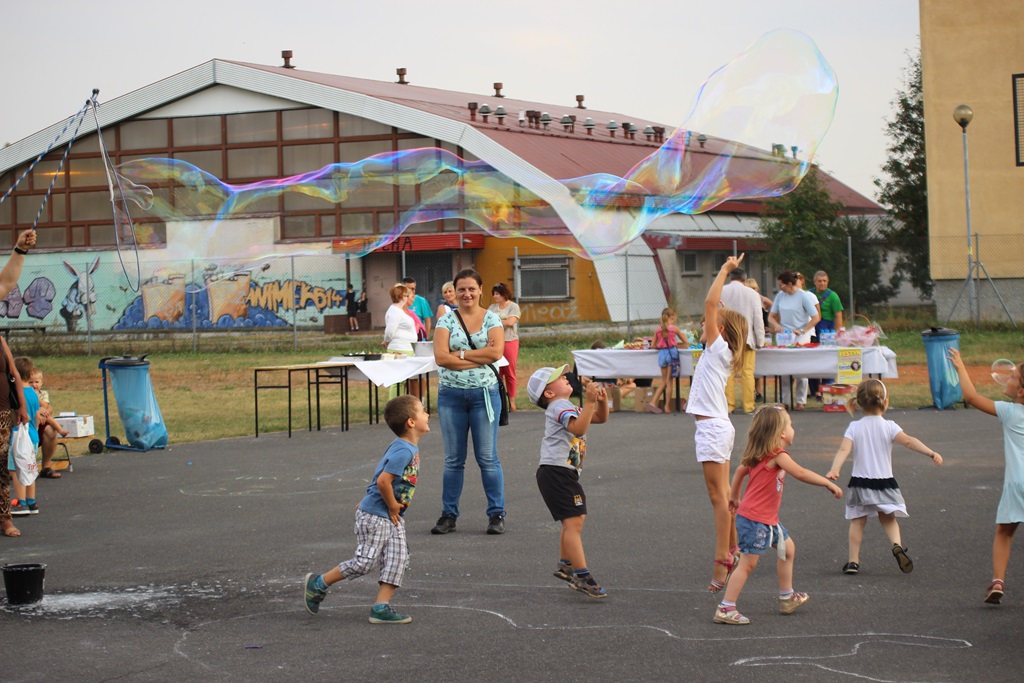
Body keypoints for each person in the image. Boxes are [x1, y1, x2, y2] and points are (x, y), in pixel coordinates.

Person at [303, 395, 428, 624]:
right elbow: (383, 481)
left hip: (391, 516)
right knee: (365, 562)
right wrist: (391, 505)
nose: (427, 413)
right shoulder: (404, 450)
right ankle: (318, 583)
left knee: (397, 559)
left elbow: (380, 475)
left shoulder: (406, 447)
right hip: (378, 515)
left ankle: (381, 607)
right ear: (411, 422)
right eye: (423, 410)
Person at [715, 405, 843, 625]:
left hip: (768, 520)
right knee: (747, 564)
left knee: (788, 549)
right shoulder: (777, 455)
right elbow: (800, 473)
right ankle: (726, 608)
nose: (793, 428)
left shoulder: (761, 453)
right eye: (790, 425)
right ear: (782, 433)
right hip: (755, 521)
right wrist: (826, 483)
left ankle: (786, 597)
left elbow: (740, 470)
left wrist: (735, 496)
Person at [825, 379, 943, 576]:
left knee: (857, 521)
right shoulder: (889, 426)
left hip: (860, 483)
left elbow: (844, 449)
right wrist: (930, 452)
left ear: (859, 403)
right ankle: (897, 545)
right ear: (885, 402)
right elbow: (909, 442)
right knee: (888, 519)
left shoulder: (855, 426)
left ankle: (853, 561)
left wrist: (835, 469)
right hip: (884, 482)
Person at [685, 254, 748, 593]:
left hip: (712, 429)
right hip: (718, 427)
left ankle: (722, 560)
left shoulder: (716, 346)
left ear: (720, 331)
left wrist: (724, 270)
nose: (705, 323)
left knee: (718, 499)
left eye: (712, 321)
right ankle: (735, 551)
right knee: (723, 495)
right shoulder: (719, 351)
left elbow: (710, 303)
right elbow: (714, 306)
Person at [431, 269, 507, 535]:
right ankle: (448, 515)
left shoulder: (493, 319)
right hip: (451, 396)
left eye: (471, 289)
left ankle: (496, 514)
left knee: (487, 458)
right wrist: (479, 355)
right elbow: (441, 358)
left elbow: (496, 353)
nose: (466, 294)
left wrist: (460, 353)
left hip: (484, 395)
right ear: (455, 291)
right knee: (453, 459)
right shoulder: (446, 321)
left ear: (480, 290)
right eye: (461, 289)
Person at [948, 348, 1023, 604]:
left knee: (1005, 533)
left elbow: (970, 396)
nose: (1007, 377)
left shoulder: (1010, 412)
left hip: (1016, 485)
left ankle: (998, 581)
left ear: (1021, 392)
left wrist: (960, 367)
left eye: (1012, 377)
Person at [529, 364, 609, 598]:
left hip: (560, 472)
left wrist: (601, 402)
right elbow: (578, 427)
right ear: (549, 393)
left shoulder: (567, 405)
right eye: (559, 377)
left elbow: (599, 419)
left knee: (574, 520)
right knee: (573, 523)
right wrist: (592, 402)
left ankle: (566, 564)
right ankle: (582, 576)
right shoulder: (559, 406)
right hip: (557, 472)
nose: (566, 378)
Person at [0, 229, 36, 539]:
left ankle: (4, 518)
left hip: (0, 407)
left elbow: (6, 282)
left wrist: (19, 250)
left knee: (0, 464)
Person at [768, 270, 821, 410]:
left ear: (790, 284)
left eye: (782, 285)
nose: (780, 288)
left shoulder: (804, 296)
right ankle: (785, 400)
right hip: (784, 335)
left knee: (801, 369)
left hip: (801, 335)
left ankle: (800, 400)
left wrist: (803, 330)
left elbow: (816, 317)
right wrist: (777, 325)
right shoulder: (780, 296)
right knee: (784, 369)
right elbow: (771, 316)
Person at [720, 267, 766, 414]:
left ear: (730, 278)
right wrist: (760, 340)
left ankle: (729, 405)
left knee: (728, 372)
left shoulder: (722, 291)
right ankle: (748, 406)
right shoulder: (753, 294)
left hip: (727, 337)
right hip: (747, 337)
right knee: (747, 373)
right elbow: (758, 319)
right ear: (745, 280)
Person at [9, 357, 41, 517]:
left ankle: (20, 502)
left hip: (19, 438)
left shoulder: (16, 393)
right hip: (33, 436)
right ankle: (31, 500)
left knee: (16, 470)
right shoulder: (34, 394)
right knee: (30, 468)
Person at [809, 270, 844, 399]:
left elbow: (838, 314)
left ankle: (827, 387)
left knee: (827, 358)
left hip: (827, 329)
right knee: (811, 358)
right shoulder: (809, 294)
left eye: (824, 281)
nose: (822, 283)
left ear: (828, 281)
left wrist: (837, 333)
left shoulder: (833, 296)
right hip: (812, 328)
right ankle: (814, 390)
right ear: (814, 282)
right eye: (819, 281)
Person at [29, 366, 68, 479]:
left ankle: (46, 467)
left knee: (50, 428)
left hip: (40, 420)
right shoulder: (21, 391)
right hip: (25, 422)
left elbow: (47, 407)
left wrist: (36, 398)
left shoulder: (42, 394)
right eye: (31, 382)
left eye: (36, 382)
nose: (34, 385)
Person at [647, 308, 687, 414]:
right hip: (671, 354)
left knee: (664, 380)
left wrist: (662, 345)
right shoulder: (674, 329)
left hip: (662, 355)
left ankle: (654, 402)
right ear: (672, 318)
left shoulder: (658, 330)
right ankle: (666, 406)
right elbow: (685, 341)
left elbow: (653, 345)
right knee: (669, 382)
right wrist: (675, 344)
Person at [489, 283, 522, 411]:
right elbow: (486, 321)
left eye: (497, 294)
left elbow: (509, 322)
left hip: (509, 341)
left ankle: (512, 400)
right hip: (496, 341)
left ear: (504, 294)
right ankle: (500, 400)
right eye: (494, 294)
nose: (495, 296)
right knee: (497, 371)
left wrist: (495, 322)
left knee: (509, 371)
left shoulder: (513, 307)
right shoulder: (492, 307)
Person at [746, 277, 773, 403]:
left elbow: (775, 310)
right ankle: (753, 389)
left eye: (754, 288)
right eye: (750, 288)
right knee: (751, 366)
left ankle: (759, 389)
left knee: (761, 364)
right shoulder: (744, 301)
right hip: (750, 335)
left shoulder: (763, 300)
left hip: (763, 334)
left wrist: (771, 325)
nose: (753, 291)